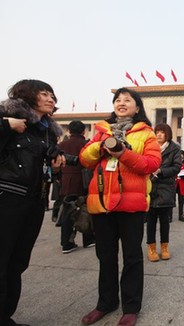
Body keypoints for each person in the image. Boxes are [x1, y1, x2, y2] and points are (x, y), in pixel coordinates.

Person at [79, 88, 161, 326]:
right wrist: (101, 146)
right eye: (118, 99)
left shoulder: (146, 133)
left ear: (137, 107)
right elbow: (85, 159)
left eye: (128, 100)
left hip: (131, 204)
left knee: (132, 257)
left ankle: (131, 307)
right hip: (103, 203)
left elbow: (151, 164)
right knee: (105, 256)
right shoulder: (101, 131)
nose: (122, 103)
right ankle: (105, 303)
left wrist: (123, 153)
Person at [0, 79, 64, 326]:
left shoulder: (46, 131)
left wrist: (56, 165)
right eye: (45, 94)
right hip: (8, 198)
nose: (51, 99)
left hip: (34, 201)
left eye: (53, 95)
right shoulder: (8, 117)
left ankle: (5, 316)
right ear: (28, 95)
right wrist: (5, 125)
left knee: (18, 261)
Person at [57, 120, 95, 254]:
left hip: (66, 181)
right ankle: (89, 239)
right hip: (84, 181)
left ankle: (67, 243)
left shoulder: (61, 145)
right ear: (83, 131)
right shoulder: (86, 145)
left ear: (69, 131)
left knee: (68, 211)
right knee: (86, 209)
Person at [147, 123, 181, 262]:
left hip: (166, 188)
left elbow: (177, 167)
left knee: (164, 222)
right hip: (150, 188)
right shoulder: (149, 146)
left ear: (167, 134)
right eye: (157, 132)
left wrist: (161, 171)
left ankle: (164, 247)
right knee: (150, 222)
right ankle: (152, 248)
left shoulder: (174, 149)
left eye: (162, 132)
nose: (159, 135)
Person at [175, 150, 184, 222]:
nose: (181, 157)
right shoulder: (173, 163)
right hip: (174, 183)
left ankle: (181, 215)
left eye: (182, 156)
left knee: (181, 200)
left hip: (181, 183)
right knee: (172, 200)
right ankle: (169, 216)